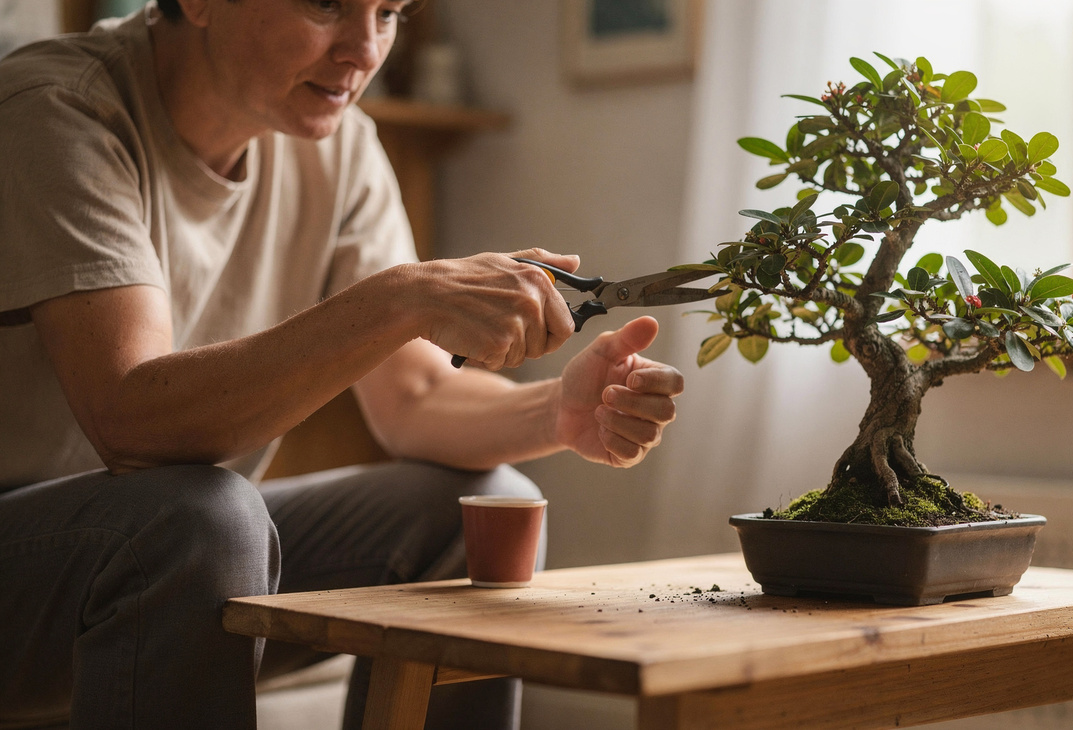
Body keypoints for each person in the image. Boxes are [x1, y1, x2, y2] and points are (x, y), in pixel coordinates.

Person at [0, 0, 686, 727]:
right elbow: (132, 422)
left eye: (388, 12)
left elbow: (414, 397)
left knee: (482, 507)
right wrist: (399, 299)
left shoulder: (342, 146)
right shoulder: (60, 110)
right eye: (328, 4)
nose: (365, 49)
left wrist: (557, 411)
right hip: (39, 553)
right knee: (201, 519)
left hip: (170, 543)